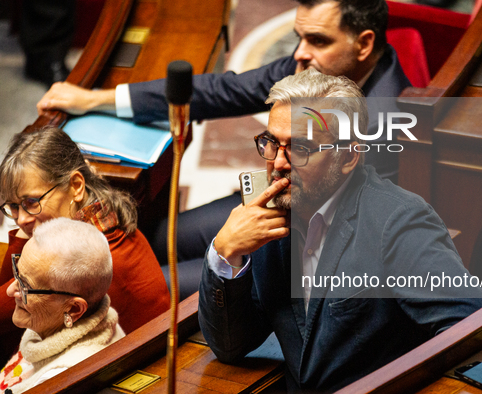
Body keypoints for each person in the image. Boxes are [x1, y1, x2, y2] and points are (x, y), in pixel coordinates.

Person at [37, 0, 411, 299]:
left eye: (318, 40)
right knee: (158, 236)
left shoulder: (381, 124)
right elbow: (223, 91)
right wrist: (97, 98)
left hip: (304, 251)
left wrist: (230, 246)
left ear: (363, 43)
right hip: (277, 201)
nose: (299, 53)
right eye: (299, 37)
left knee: (146, 284)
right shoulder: (317, 66)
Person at [198, 69, 482, 392]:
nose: (278, 163)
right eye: (271, 143)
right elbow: (230, 346)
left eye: (301, 148)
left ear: (349, 155)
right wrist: (225, 255)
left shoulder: (398, 222)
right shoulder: (266, 217)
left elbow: (470, 331)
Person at [0, 127, 170, 365]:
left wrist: (22, 237)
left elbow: (4, 318)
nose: (21, 219)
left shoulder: (87, 258)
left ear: (76, 186)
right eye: (13, 207)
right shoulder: (99, 213)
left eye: (31, 202)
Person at [0, 218, 125, 394]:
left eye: (26, 286)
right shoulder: (63, 319)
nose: (10, 291)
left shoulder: (58, 381)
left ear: (73, 309)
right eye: (17, 272)